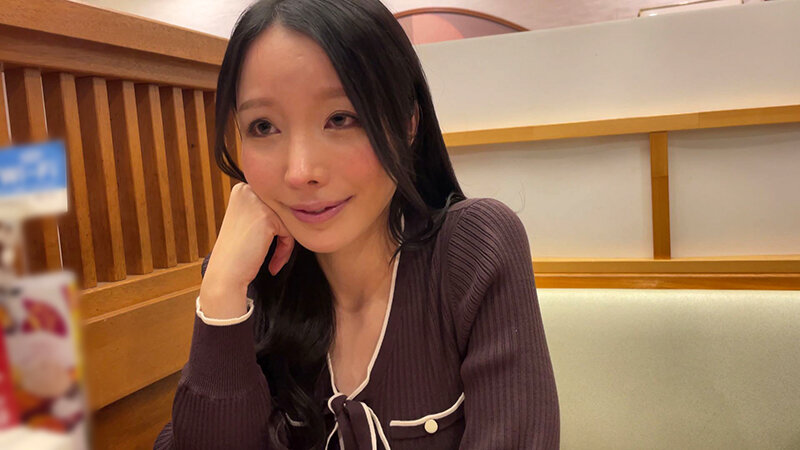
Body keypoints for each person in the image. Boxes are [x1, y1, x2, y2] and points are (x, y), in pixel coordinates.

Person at [153, 0, 559, 448]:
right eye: (263, 126)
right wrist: (220, 293)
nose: (300, 172)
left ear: (408, 124)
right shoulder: (248, 281)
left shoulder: (472, 251)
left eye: (340, 119)